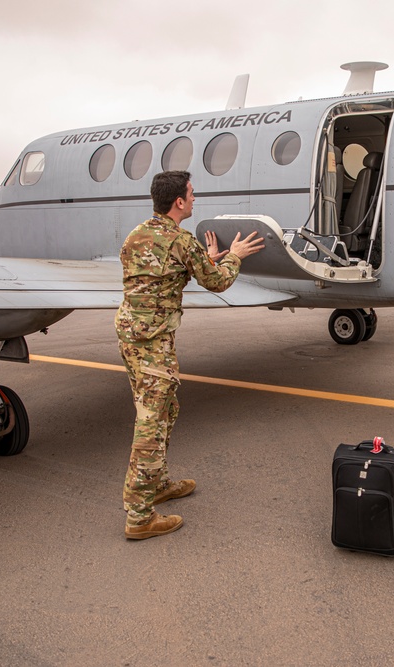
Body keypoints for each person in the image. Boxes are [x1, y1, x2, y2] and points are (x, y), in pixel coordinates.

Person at [116, 170, 264, 540]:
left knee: (167, 410)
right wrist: (236, 257)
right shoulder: (180, 240)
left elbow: (156, 274)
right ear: (178, 202)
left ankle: (158, 483)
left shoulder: (137, 235)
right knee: (150, 426)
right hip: (151, 344)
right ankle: (139, 516)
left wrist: (206, 257)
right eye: (192, 194)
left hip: (132, 337)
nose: (195, 199)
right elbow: (217, 282)